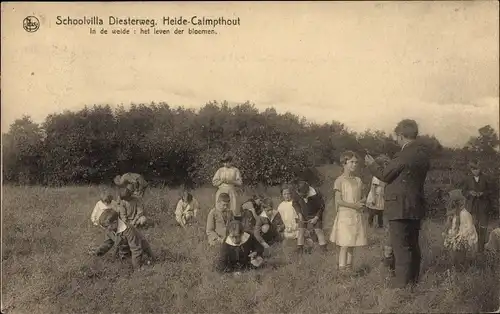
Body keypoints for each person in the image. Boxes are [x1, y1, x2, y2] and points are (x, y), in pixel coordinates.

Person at [365, 119, 431, 289]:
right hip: (415, 205)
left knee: (400, 246)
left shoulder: (403, 154)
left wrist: (371, 164)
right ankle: (413, 281)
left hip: (399, 206)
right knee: (413, 244)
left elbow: (385, 175)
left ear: (401, 135)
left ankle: (401, 286)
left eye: (397, 136)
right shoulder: (423, 155)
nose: (396, 140)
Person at [330, 151, 368, 271]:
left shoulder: (358, 180)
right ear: (344, 163)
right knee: (345, 244)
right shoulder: (340, 180)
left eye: (356, 162)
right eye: (351, 162)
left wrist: (362, 202)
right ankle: (342, 273)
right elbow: (339, 201)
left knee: (353, 243)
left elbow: (363, 196)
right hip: (345, 216)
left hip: (356, 215)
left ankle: (349, 270)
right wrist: (354, 205)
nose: (354, 165)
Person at [90, 208, 154, 270]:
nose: (105, 229)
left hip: (140, 250)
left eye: (106, 226)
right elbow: (107, 243)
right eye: (104, 227)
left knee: (139, 263)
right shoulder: (110, 230)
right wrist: (97, 252)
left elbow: (136, 249)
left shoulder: (128, 230)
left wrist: (136, 267)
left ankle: (143, 263)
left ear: (115, 223)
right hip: (125, 249)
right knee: (119, 262)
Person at [461, 160, 493, 253]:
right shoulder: (467, 179)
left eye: (477, 169)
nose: (475, 171)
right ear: (470, 170)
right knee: (473, 228)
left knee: (483, 228)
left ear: (480, 168)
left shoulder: (486, 178)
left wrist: (483, 193)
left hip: (484, 207)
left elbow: (491, 191)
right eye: (473, 169)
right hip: (472, 207)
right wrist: (470, 193)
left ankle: (481, 250)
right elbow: (463, 191)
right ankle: (472, 250)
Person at [442, 189, 478, 270]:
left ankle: (462, 265)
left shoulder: (465, 214)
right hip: (457, 240)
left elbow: (469, 230)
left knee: (460, 249)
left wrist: (459, 237)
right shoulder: (454, 216)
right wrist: (450, 235)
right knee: (453, 248)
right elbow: (453, 228)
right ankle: (456, 265)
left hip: (466, 241)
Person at [292, 180, 327, 253]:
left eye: (304, 195)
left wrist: (316, 218)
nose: (302, 197)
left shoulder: (315, 194)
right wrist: (299, 213)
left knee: (318, 231)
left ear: (307, 191)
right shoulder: (296, 192)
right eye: (300, 195)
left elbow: (322, 207)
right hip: (303, 214)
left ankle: (324, 250)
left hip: (315, 214)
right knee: (301, 230)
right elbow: (295, 203)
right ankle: (300, 249)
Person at [212, 154, 243, 219]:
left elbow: (240, 182)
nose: (225, 164)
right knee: (221, 208)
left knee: (232, 208)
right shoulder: (220, 170)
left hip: (231, 191)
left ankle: (232, 223)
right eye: (224, 162)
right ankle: (220, 223)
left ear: (231, 162)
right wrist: (221, 181)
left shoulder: (235, 170)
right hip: (221, 191)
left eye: (227, 162)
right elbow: (214, 182)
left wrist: (232, 181)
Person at [366, 155, 390, 228]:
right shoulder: (377, 177)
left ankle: (380, 226)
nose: (386, 166)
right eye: (385, 164)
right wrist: (373, 198)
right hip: (375, 196)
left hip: (381, 196)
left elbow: (385, 186)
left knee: (380, 212)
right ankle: (370, 224)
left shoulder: (384, 176)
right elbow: (373, 188)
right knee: (372, 212)